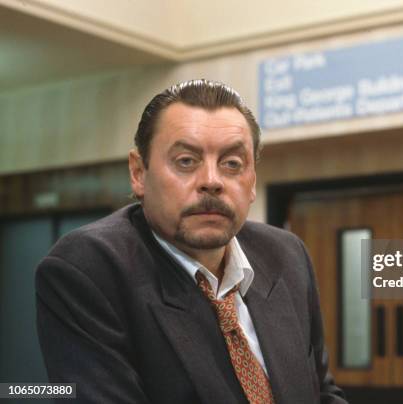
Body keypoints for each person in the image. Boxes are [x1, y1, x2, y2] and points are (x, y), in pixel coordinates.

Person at [35, 79, 347, 404]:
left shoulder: (286, 254)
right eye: (186, 161)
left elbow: (321, 392)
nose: (212, 181)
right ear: (139, 173)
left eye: (232, 164)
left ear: (252, 181)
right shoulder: (88, 268)